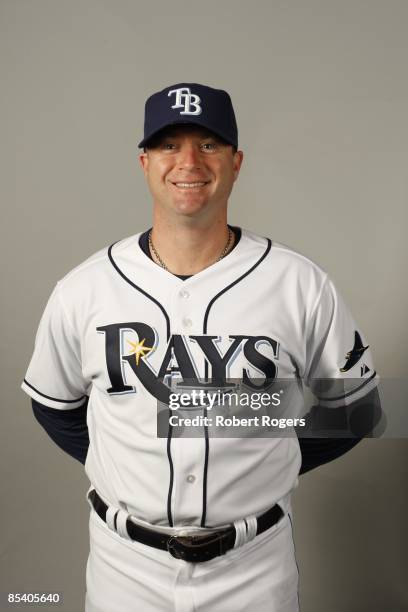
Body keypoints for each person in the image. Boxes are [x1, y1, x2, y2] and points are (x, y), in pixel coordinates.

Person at [22, 83, 380, 612]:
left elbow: (355, 411)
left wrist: (265, 451)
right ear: (144, 161)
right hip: (125, 567)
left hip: (253, 567)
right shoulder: (85, 287)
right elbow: (54, 408)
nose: (188, 161)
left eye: (209, 144)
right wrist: (121, 458)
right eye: (169, 144)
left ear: (236, 162)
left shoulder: (298, 282)